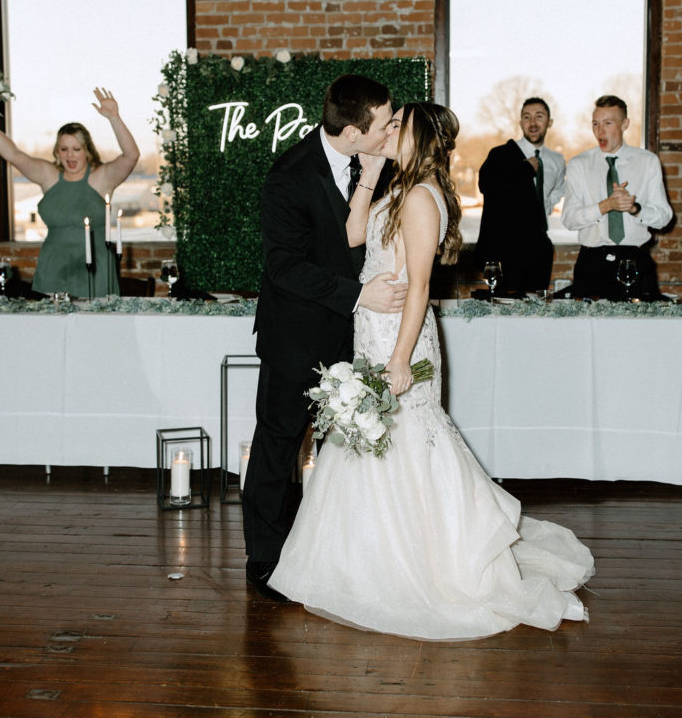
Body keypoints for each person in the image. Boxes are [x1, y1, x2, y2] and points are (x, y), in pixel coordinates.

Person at [269, 102, 594, 640]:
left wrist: (400, 359)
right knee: (368, 443)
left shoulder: (421, 198)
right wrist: (371, 176)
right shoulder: (397, 188)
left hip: (402, 338)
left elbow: (419, 285)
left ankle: (427, 563)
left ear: (419, 138)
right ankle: (361, 565)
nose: (390, 130)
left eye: (399, 125)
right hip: (370, 331)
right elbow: (353, 236)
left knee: (408, 441)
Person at [242, 73, 408, 601]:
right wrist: (360, 295)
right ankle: (265, 558)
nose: (391, 129)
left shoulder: (375, 164)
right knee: (278, 444)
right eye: (384, 123)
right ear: (354, 132)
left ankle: (344, 549)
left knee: (352, 447)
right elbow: (284, 267)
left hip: (356, 337)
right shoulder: (288, 177)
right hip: (295, 338)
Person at [0, 87, 139, 297]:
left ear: (87, 150)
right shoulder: (49, 176)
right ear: (57, 152)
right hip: (53, 269)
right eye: (64, 149)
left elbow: (131, 156)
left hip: (95, 272)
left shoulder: (101, 177)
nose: (70, 156)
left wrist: (114, 117)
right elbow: (13, 154)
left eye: (77, 149)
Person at [562, 95, 672, 300]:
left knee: (640, 331)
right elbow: (569, 219)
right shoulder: (579, 164)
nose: (599, 131)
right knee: (589, 330)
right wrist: (605, 206)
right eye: (595, 124)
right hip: (592, 263)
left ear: (625, 124)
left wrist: (635, 209)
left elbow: (664, 218)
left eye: (607, 123)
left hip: (635, 261)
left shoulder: (647, 162)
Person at [475, 97, 565, 295]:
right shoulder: (501, 154)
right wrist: (524, 170)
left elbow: (559, 188)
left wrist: (544, 208)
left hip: (539, 246)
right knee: (503, 312)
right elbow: (486, 185)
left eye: (539, 117)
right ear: (520, 123)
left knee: (535, 310)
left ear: (549, 122)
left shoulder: (556, 160)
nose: (533, 123)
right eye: (527, 117)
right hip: (506, 247)